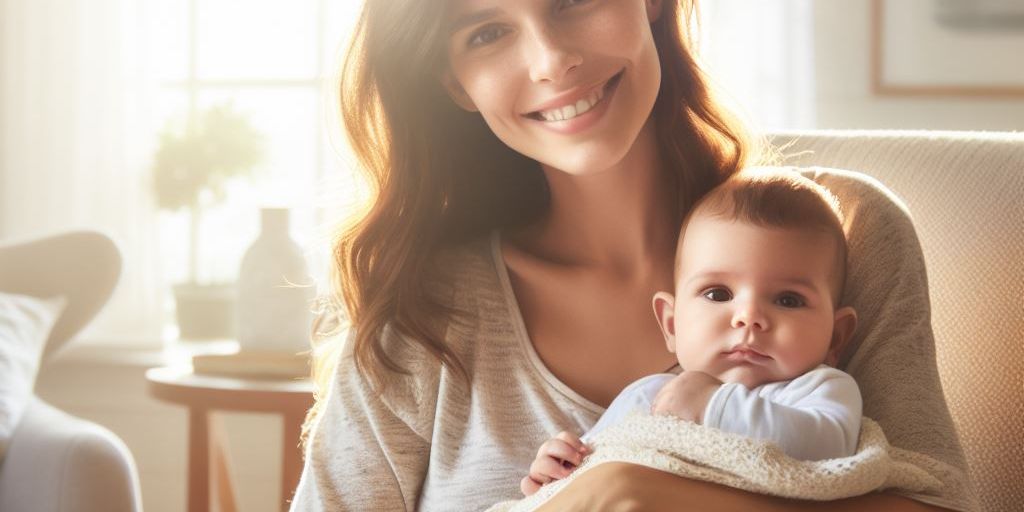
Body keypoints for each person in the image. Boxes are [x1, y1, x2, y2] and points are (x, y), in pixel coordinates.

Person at [291, 0, 973, 511]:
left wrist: (639, 492)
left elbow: (939, 501)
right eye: (487, 32)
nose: (552, 61)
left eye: (571, 0)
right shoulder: (418, 305)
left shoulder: (843, 233)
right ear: (453, 83)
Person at [522, 171, 863, 496]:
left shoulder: (820, 391)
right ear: (671, 324)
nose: (749, 317)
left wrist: (712, 406)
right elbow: (593, 468)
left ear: (835, 338)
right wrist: (556, 469)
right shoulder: (650, 397)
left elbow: (829, 450)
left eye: (788, 300)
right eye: (718, 294)